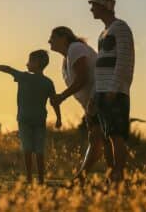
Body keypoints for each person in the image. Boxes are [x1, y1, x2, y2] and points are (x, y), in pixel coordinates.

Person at [0, 50, 61, 184]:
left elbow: (7, 69)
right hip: (39, 120)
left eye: (30, 61)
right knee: (39, 151)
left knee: (27, 150)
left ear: (37, 63)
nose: (27, 63)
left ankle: (29, 178)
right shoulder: (48, 82)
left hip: (24, 120)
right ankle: (40, 180)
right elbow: (54, 102)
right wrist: (59, 118)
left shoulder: (24, 77)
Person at [48, 26, 113, 181]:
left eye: (53, 37)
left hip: (101, 94)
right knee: (101, 139)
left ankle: (82, 178)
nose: (49, 41)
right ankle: (114, 177)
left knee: (99, 138)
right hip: (93, 100)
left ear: (63, 37)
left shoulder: (76, 49)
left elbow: (82, 78)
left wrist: (62, 97)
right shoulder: (68, 57)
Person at [89, 0, 135, 182]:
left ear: (105, 7)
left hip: (113, 91)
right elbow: (100, 66)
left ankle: (118, 176)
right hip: (102, 91)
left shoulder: (121, 28)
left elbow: (125, 59)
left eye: (94, 5)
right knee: (106, 136)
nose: (91, 9)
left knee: (116, 135)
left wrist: (115, 88)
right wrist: (95, 94)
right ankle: (111, 175)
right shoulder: (103, 33)